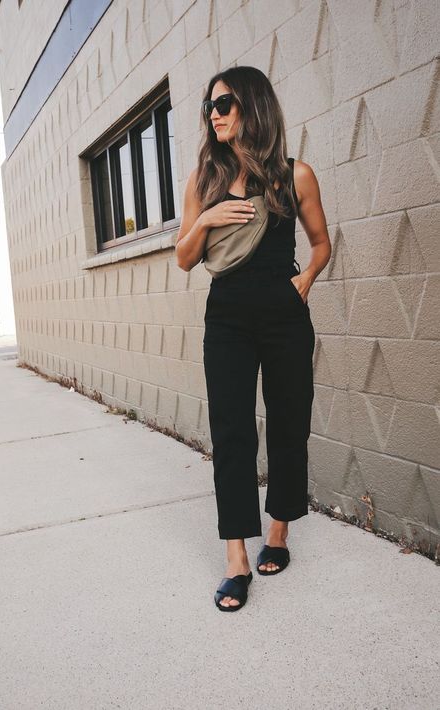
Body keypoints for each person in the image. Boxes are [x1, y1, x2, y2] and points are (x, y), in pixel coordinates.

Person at [175, 66, 331, 611]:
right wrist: (208, 217)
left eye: (224, 104)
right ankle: (236, 557)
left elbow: (320, 245)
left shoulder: (295, 175)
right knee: (233, 432)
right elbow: (184, 258)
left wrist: (304, 282)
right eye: (208, 108)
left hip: (284, 313)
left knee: (290, 423)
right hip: (228, 318)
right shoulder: (204, 181)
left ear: (253, 106)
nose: (213, 115)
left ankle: (280, 531)